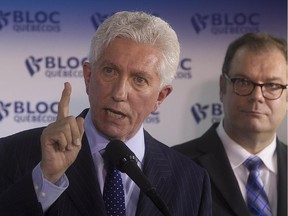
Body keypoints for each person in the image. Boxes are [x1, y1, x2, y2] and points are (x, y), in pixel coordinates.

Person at [0, 11, 212, 216]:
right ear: (88, 76)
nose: (119, 93)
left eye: (139, 79)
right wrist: (46, 178)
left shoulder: (192, 181)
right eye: (110, 71)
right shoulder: (12, 155)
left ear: (160, 97)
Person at [173, 32, 287, 216]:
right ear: (222, 87)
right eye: (243, 82)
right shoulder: (175, 166)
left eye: (272, 85)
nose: (257, 96)